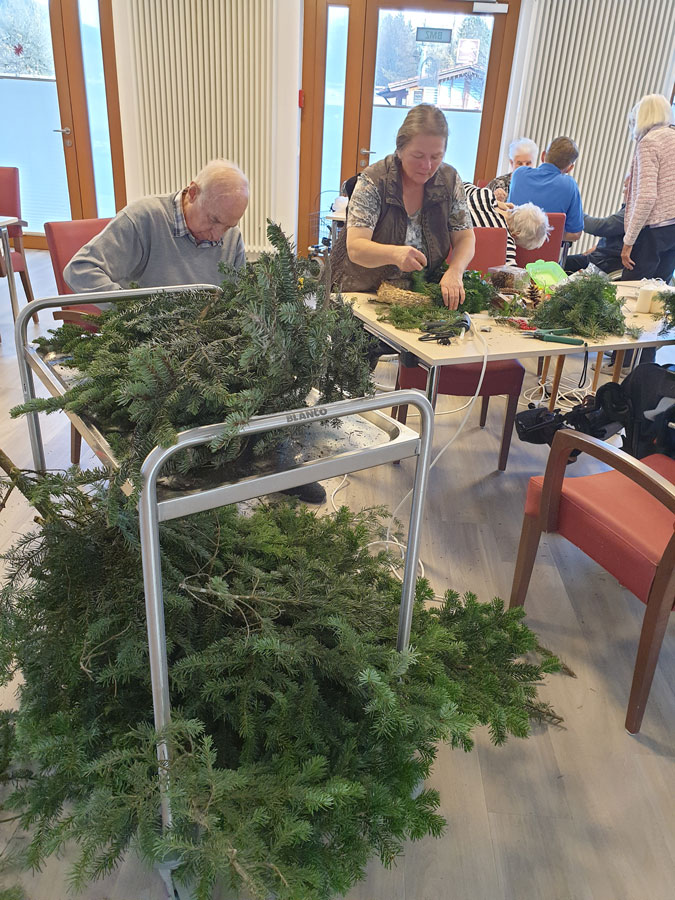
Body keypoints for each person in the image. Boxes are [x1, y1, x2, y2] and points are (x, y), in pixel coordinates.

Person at [333, 103, 475, 310]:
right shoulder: (374, 181)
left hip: (415, 297)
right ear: (399, 150)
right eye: (418, 156)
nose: (427, 166)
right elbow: (356, 248)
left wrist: (455, 271)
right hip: (362, 294)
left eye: (436, 157)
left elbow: (465, 237)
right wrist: (395, 254)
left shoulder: (449, 180)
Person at [64, 159, 249, 293]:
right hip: (147, 340)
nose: (218, 237)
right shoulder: (143, 218)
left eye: (228, 226)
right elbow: (80, 269)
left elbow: (239, 299)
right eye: (213, 220)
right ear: (193, 194)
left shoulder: (233, 238)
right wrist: (132, 313)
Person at [621, 94, 675, 283]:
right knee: (660, 295)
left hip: (653, 230)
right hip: (672, 230)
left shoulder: (649, 142)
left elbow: (646, 197)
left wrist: (628, 242)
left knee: (630, 291)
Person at [508, 136, 584, 243]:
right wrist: (542, 233)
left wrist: (527, 231)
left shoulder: (518, 174)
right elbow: (575, 234)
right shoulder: (570, 185)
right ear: (570, 168)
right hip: (547, 256)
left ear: (543, 156)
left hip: (512, 250)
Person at [463, 182, 550, 265]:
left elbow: (457, 186)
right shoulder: (505, 242)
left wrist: (495, 202)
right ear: (516, 234)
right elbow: (511, 275)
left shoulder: (485, 195)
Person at [486, 137, 539, 201]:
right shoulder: (498, 184)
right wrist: (494, 201)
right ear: (511, 163)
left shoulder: (538, 185)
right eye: (519, 163)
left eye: (528, 163)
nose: (524, 167)